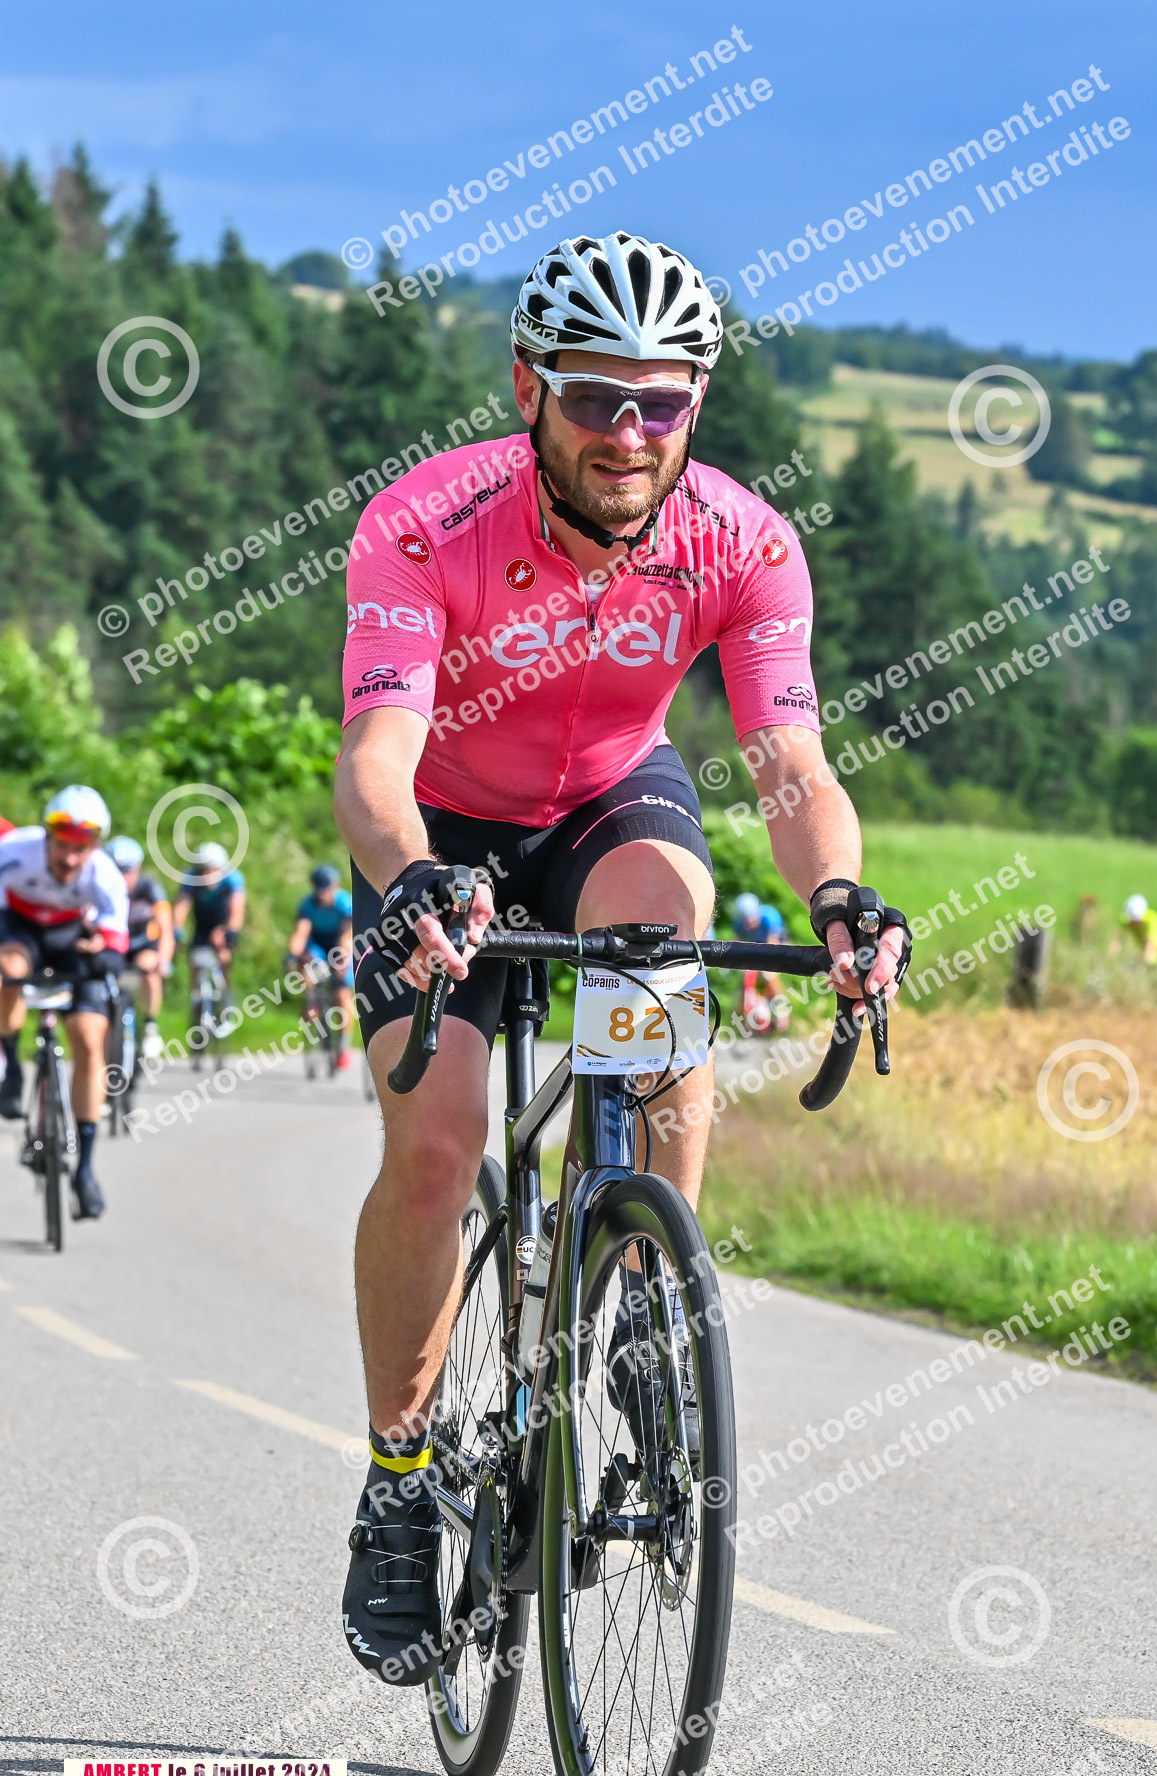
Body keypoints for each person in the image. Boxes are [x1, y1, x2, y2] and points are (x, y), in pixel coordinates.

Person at [333, 230, 911, 1687]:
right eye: (596, 396)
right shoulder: (426, 521)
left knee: (663, 951)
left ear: (697, 401)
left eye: (663, 400)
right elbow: (375, 755)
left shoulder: (741, 542)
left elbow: (789, 764)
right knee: (437, 1147)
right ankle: (400, 1476)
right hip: (441, 832)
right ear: (529, 387)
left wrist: (839, 897)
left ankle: (644, 1317)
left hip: (607, 804)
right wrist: (411, 879)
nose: (629, 432)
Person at [0, 786, 128, 1217]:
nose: (70, 859)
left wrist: (105, 955)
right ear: (46, 837)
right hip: (19, 930)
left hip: (71, 940)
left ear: (96, 846)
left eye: (81, 849)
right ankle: (12, 1067)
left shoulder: (105, 875)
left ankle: (85, 1169)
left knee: (89, 1040)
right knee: (10, 970)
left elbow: (115, 938)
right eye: (62, 846)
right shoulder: (14, 852)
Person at [106, 835, 174, 1061]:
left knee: (149, 967)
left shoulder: (149, 887)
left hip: (143, 944)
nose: (122, 877)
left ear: (138, 868)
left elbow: (166, 928)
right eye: (116, 870)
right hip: (114, 945)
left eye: (127, 871)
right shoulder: (101, 886)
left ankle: (151, 1025)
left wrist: (164, 960)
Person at [288, 863, 355, 1068]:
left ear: (335, 886)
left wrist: (342, 958)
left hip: (340, 944)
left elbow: (347, 935)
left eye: (327, 888)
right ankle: (311, 1002)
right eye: (320, 889)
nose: (323, 893)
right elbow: (301, 932)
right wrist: (292, 954)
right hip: (317, 945)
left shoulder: (345, 903)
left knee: (342, 993)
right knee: (307, 965)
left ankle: (342, 1045)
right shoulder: (308, 905)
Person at [172, 842, 245, 988]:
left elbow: (237, 912)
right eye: (202, 870)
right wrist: (176, 931)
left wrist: (228, 931)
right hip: (201, 922)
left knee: (224, 957)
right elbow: (181, 907)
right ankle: (197, 997)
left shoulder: (232, 879)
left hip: (223, 921)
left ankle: (225, 992)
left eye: (211, 870)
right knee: (195, 961)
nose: (206, 875)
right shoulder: (191, 878)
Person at [730, 890, 789, 1033]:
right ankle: (746, 1016)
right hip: (757, 947)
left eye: (751, 921)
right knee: (745, 977)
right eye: (746, 922)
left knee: (769, 975)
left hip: (777, 945)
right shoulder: (739, 923)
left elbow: (773, 945)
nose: (749, 925)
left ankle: (782, 1013)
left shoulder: (770, 916)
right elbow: (735, 943)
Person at [1112, 893, 1157, 966]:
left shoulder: (1152, 920)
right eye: (1132, 920)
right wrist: (1111, 960)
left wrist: (1145, 962)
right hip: (1143, 950)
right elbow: (1118, 941)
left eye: (1137, 920)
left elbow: (1151, 943)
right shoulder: (1125, 921)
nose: (1135, 923)